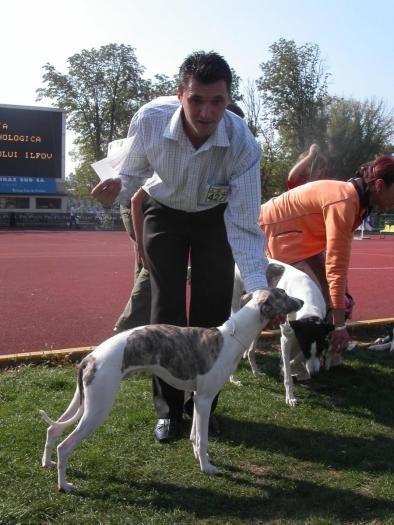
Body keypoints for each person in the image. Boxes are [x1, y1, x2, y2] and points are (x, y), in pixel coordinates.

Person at [91, 51, 269, 443]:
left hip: (214, 217)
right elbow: (132, 171)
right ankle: (169, 411)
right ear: (180, 94)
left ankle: (203, 409)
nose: (206, 112)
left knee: (212, 313)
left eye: (217, 101)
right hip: (164, 211)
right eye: (196, 100)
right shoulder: (150, 118)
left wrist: (258, 284)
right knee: (165, 309)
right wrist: (116, 188)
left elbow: (243, 222)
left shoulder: (243, 144)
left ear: (228, 99)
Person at [114, 103, 246, 333]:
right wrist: (140, 246)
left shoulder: (230, 150)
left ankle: (185, 345)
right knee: (152, 277)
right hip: (146, 209)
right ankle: (126, 333)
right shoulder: (170, 152)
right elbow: (135, 200)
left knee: (178, 277)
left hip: (191, 218)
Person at [259, 155, 394, 356]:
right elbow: (336, 265)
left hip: (301, 237)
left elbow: (335, 264)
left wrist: (339, 307)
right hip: (275, 231)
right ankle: (299, 362)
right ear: (380, 185)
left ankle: (326, 349)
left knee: (339, 300)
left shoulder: (358, 201)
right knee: (309, 294)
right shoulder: (346, 200)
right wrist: (340, 325)